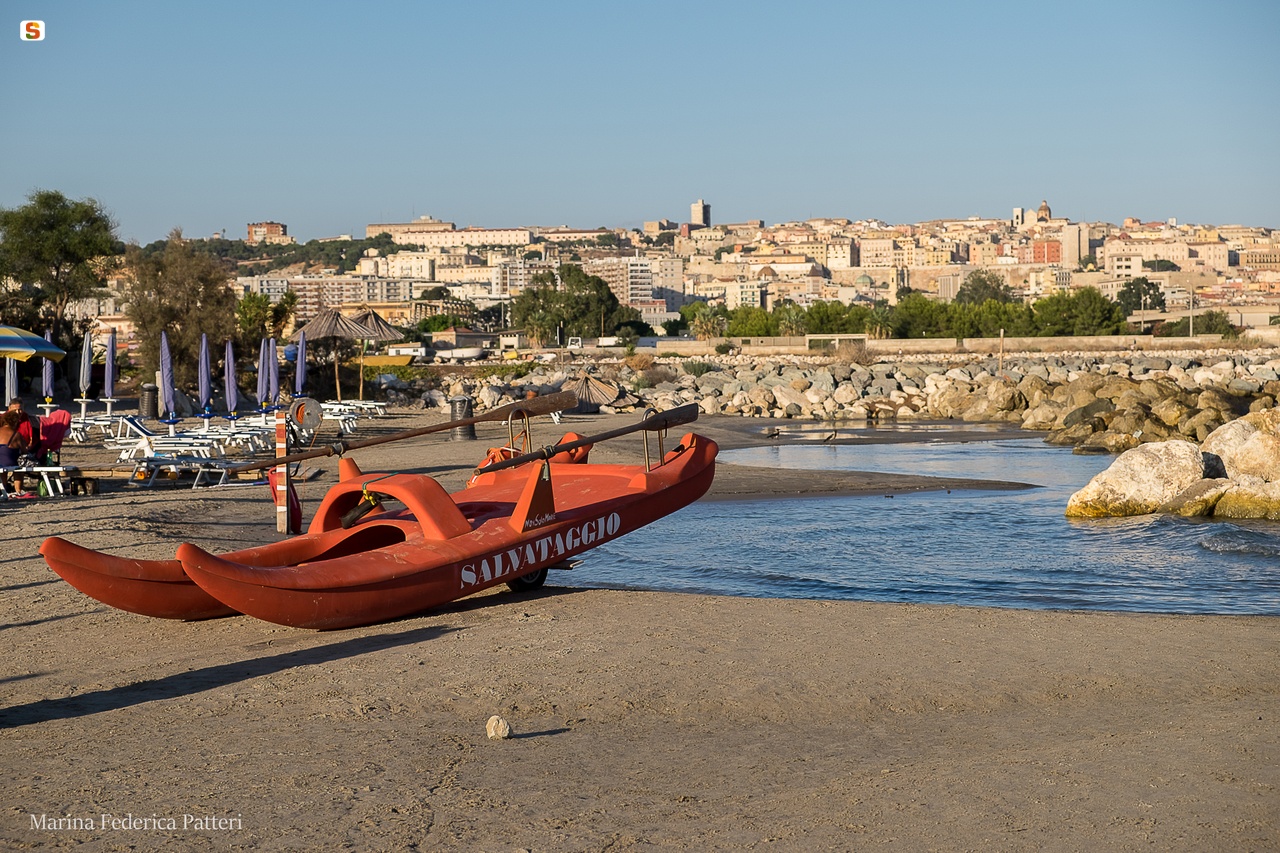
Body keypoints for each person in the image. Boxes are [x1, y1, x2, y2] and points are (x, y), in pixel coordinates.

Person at [0, 409, 30, 496]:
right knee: (19, 468)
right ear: (15, 422)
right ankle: (18, 490)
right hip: (9, 461)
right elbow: (24, 450)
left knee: (3, 468)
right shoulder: (16, 434)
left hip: (0, 462)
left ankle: (4, 488)